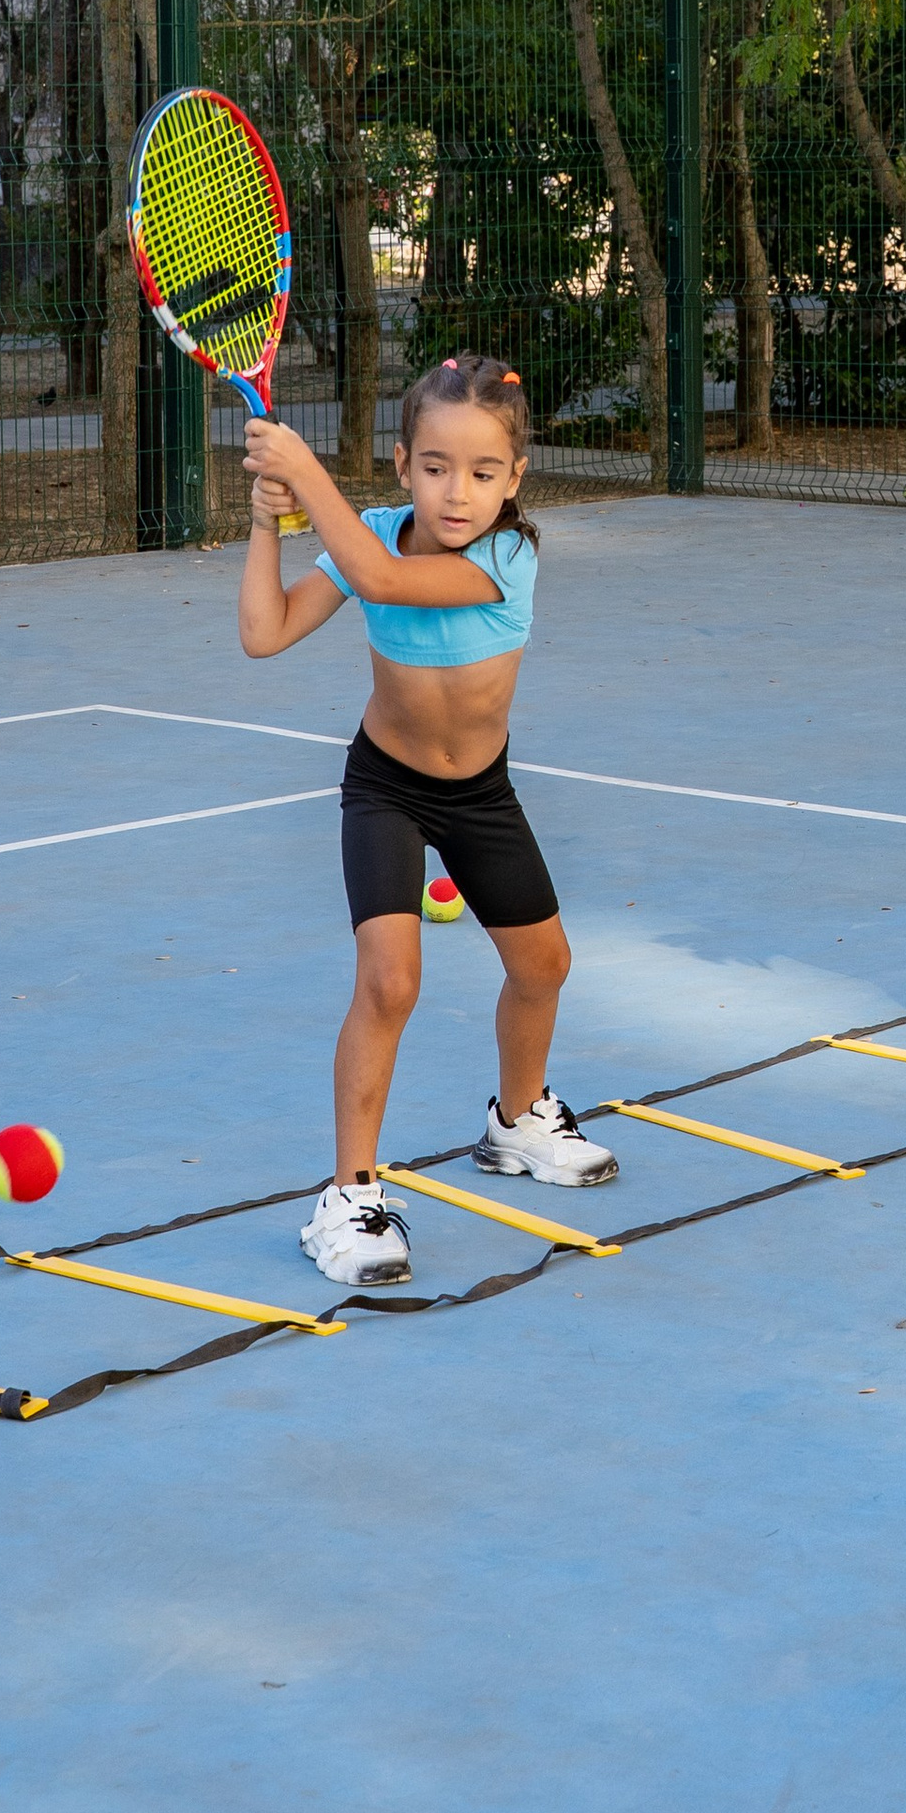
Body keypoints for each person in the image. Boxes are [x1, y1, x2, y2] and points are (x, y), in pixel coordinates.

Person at [236, 354, 614, 1287]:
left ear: (515, 480)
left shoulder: (508, 555)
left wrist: (303, 466)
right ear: (403, 464)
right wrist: (262, 529)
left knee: (545, 964)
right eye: (437, 467)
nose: (459, 491)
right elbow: (266, 631)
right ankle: (349, 1198)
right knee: (391, 981)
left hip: (481, 791)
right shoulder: (367, 532)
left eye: (484, 473)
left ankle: (516, 1120)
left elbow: (384, 578)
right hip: (387, 788)